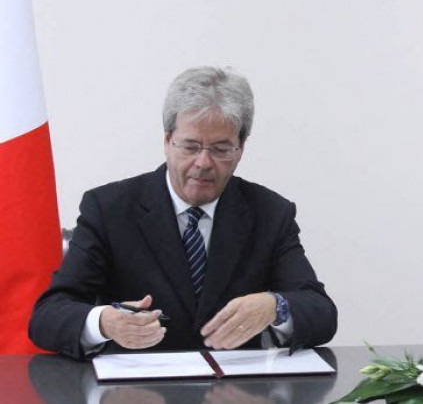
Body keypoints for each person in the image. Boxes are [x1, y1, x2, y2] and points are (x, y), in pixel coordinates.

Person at [29, 66, 337, 359]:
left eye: (220, 149)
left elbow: (321, 313)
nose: (203, 162)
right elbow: (47, 316)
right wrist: (104, 323)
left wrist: (275, 306)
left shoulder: (270, 213)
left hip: (236, 387)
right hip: (138, 386)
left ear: (241, 148)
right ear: (167, 141)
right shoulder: (109, 209)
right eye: (190, 147)